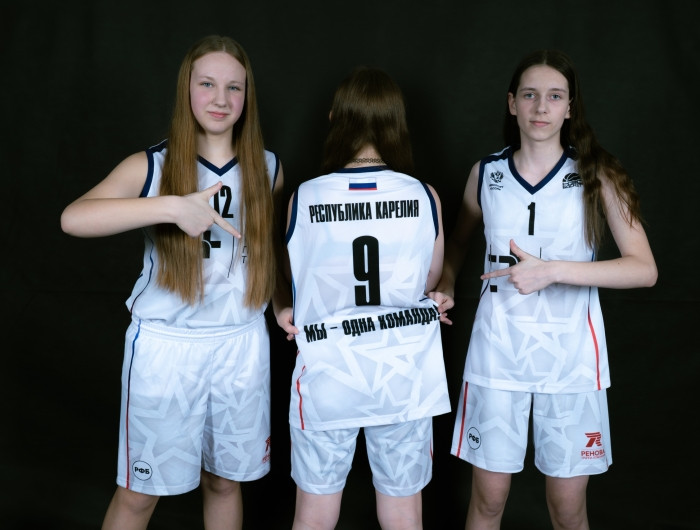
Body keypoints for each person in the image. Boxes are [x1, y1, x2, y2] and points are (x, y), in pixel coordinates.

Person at [61, 35, 284, 530]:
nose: (221, 99)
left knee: (224, 482)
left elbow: (267, 255)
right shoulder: (152, 165)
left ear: (247, 96)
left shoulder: (268, 167)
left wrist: (281, 303)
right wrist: (170, 207)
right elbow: (73, 218)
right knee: (139, 493)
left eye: (234, 87)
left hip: (241, 343)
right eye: (207, 84)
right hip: (168, 347)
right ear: (187, 88)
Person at [429, 49, 657, 529]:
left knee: (567, 507)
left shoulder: (597, 173)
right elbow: (457, 246)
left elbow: (643, 269)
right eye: (530, 95)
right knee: (488, 501)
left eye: (555, 96)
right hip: (497, 355)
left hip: (571, 359)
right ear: (512, 103)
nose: (541, 107)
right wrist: (445, 283)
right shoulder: (486, 173)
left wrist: (552, 271)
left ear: (570, 107)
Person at [275, 66, 451, 530]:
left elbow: (293, 280)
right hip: (403, 373)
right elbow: (430, 280)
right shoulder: (424, 196)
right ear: (397, 123)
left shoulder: (304, 197)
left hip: (327, 370)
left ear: (335, 118)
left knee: (314, 515)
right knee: (403, 514)